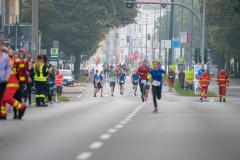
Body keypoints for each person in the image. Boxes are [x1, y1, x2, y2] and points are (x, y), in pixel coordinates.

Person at [0, 42, 26, 119]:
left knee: (7, 98)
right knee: (2, 99)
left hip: (11, 81)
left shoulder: (9, 60)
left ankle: (21, 107)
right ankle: (3, 115)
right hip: (6, 82)